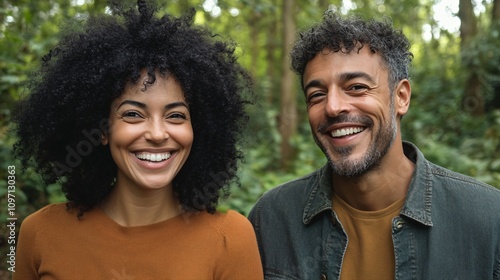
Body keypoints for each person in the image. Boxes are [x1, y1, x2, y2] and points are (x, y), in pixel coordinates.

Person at [12, 1, 263, 279]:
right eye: (133, 114)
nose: (157, 134)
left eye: (176, 116)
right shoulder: (41, 233)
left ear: (197, 129)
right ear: (102, 129)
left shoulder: (230, 239)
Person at [248, 11, 500, 280]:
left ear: (401, 97)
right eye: (317, 95)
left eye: (356, 87)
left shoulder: (488, 219)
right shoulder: (272, 219)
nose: (333, 107)